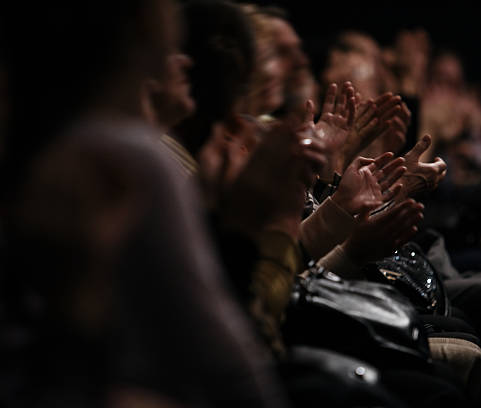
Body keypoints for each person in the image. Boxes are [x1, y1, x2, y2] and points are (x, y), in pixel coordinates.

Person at [1, 0, 289, 406]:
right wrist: (260, 221)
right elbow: (235, 374)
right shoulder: (123, 157)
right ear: (145, 20)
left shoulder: (47, 138)